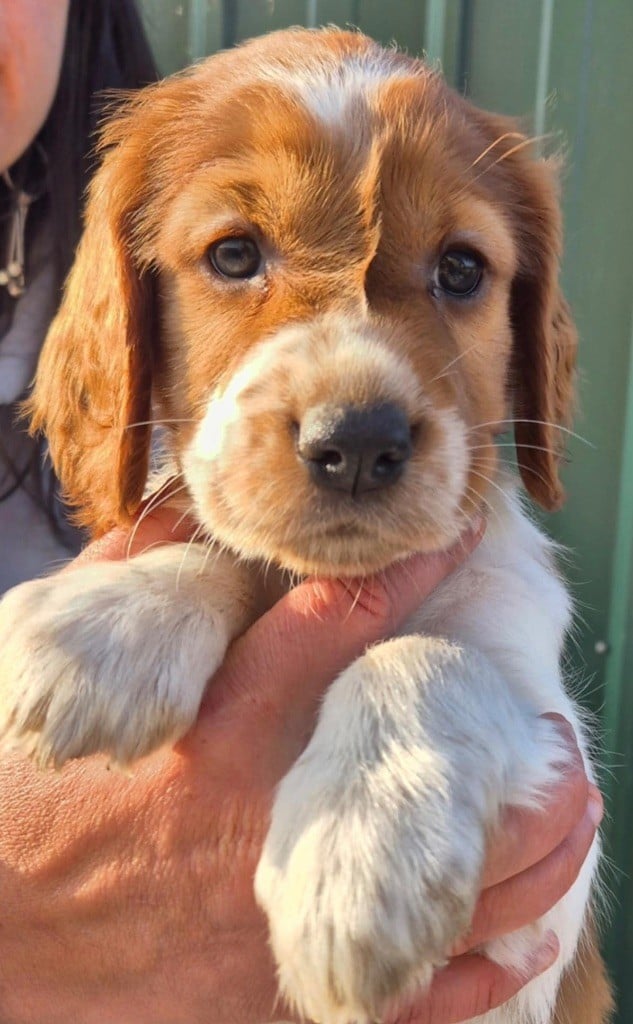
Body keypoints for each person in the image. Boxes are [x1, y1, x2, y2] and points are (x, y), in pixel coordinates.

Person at [0, 3, 603, 1022]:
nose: (355, 404)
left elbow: (533, 946)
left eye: (458, 271)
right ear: (129, 308)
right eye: (236, 257)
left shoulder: (495, 597)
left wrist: (426, 707)